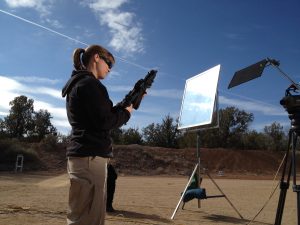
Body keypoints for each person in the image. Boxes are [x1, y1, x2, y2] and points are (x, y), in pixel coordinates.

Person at [62, 44, 133, 225]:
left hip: (84, 156)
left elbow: (103, 115)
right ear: (96, 58)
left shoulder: (80, 83)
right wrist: (127, 113)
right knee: (88, 219)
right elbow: (106, 121)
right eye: (108, 62)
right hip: (89, 158)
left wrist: (126, 103)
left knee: (83, 216)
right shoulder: (90, 84)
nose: (110, 68)